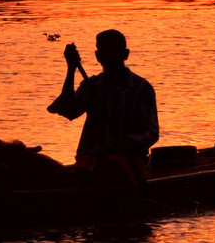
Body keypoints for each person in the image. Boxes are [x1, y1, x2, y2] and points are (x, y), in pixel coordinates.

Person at [47, 29, 158, 184]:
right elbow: (69, 110)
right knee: (76, 177)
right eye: (105, 51)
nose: (110, 56)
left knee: (104, 175)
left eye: (115, 51)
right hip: (90, 159)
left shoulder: (141, 88)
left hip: (127, 161)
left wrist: (129, 141)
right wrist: (71, 69)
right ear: (98, 56)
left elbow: (151, 132)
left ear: (125, 54)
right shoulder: (91, 86)